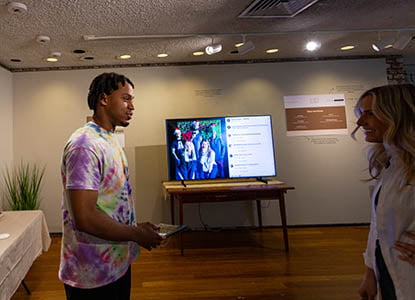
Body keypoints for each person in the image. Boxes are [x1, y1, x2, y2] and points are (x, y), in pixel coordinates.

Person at [59, 72, 163, 300]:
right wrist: (136, 233)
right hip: (92, 274)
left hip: (116, 262)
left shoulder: (108, 138)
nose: (132, 106)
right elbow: (84, 217)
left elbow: (109, 202)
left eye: (132, 100)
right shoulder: (85, 146)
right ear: (104, 99)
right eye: (126, 98)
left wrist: (134, 225)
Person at [353, 84, 415, 300]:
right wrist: (370, 273)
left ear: (398, 115)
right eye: (362, 114)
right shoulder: (391, 163)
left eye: (370, 114)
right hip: (388, 274)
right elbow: (377, 227)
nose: (360, 122)